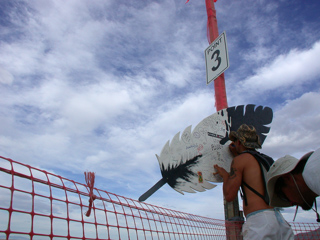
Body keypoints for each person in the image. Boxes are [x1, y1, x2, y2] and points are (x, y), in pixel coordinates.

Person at [214, 124, 294, 240]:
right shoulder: (267, 159)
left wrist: (225, 175)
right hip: (280, 222)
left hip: (260, 223)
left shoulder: (239, 161)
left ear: (239, 142)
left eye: (235, 140)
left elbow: (229, 195)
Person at [267, 148, 320, 220]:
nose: (291, 203)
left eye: (283, 197)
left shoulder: (314, 174)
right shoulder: (314, 169)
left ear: (287, 178)